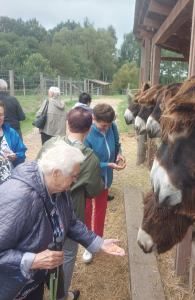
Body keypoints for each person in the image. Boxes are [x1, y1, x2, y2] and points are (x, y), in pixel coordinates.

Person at [0, 141, 125, 300]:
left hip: (32, 281)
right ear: (56, 173)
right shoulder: (19, 198)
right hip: (11, 287)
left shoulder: (59, 189)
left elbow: (70, 222)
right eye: (74, 176)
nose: (75, 181)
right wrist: (34, 260)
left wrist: (98, 242)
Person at [36, 107, 104, 300]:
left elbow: (37, 170)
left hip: (43, 212)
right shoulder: (89, 157)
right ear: (90, 129)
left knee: (42, 249)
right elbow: (94, 191)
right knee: (66, 254)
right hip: (71, 215)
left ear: (67, 124)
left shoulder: (50, 143)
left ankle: (43, 287)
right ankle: (61, 295)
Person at [83, 103, 126, 263]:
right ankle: (88, 243)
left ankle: (98, 241)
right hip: (89, 178)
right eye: (103, 126)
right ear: (93, 119)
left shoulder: (112, 126)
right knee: (87, 210)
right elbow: (87, 161)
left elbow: (116, 142)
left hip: (105, 177)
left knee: (100, 210)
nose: (106, 128)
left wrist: (119, 153)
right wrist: (108, 165)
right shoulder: (87, 133)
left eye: (109, 125)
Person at [0, 101, 27, 169]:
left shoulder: (11, 133)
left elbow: (22, 155)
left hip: (9, 176)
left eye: (1, 115)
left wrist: (15, 156)